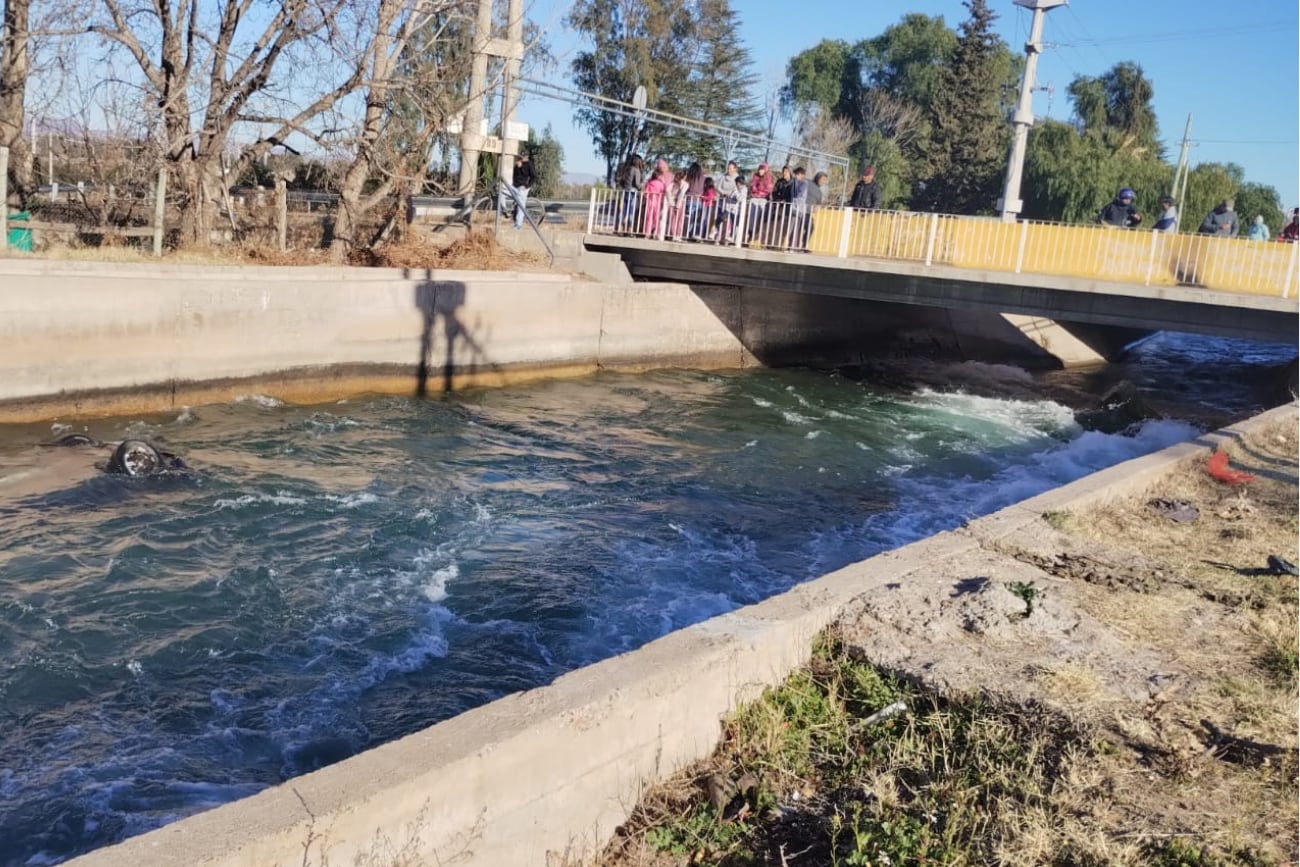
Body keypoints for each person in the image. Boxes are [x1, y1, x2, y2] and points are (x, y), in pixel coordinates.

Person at [502, 151, 535, 229]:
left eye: (521, 157)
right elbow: (514, 175)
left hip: (523, 188)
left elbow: (534, 177)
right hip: (514, 186)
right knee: (502, 192)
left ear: (526, 157)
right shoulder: (517, 164)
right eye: (519, 157)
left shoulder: (529, 164)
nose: (520, 159)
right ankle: (504, 210)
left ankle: (518, 224)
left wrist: (527, 186)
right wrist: (517, 167)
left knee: (521, 206)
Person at [746, 163, 774, 243]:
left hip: (762, 200)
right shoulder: (755, 176)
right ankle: (749, 233)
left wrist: (760, 193)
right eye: (760, 169)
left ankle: (755, 235)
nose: (761, 171)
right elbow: (752, 187)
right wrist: (754, 191)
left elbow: (768, 190)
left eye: (762, 169)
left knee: (759, 218)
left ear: (766, 170)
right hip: (754, 198)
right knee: (751, 217)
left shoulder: (768, 178)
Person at [643, 165, 666, 239]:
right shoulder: (661, 184)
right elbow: (663, 194)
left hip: (650, 202)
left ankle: (647, 233)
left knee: (649, 218)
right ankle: (656, 233)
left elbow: (645, 193)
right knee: (656, 218)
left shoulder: (649, 183)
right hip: (658, 203)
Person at [790, 166, 810, 251]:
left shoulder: (804, 183)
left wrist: (795, 182)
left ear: (802, 175)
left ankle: (792, 245)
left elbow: (798, 193)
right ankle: (791, 244)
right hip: (794, 207)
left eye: (798, 175)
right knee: (792, 227)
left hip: (799, 208)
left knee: (795, 227)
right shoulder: (795, 182)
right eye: (796, 175)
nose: (796, 176)